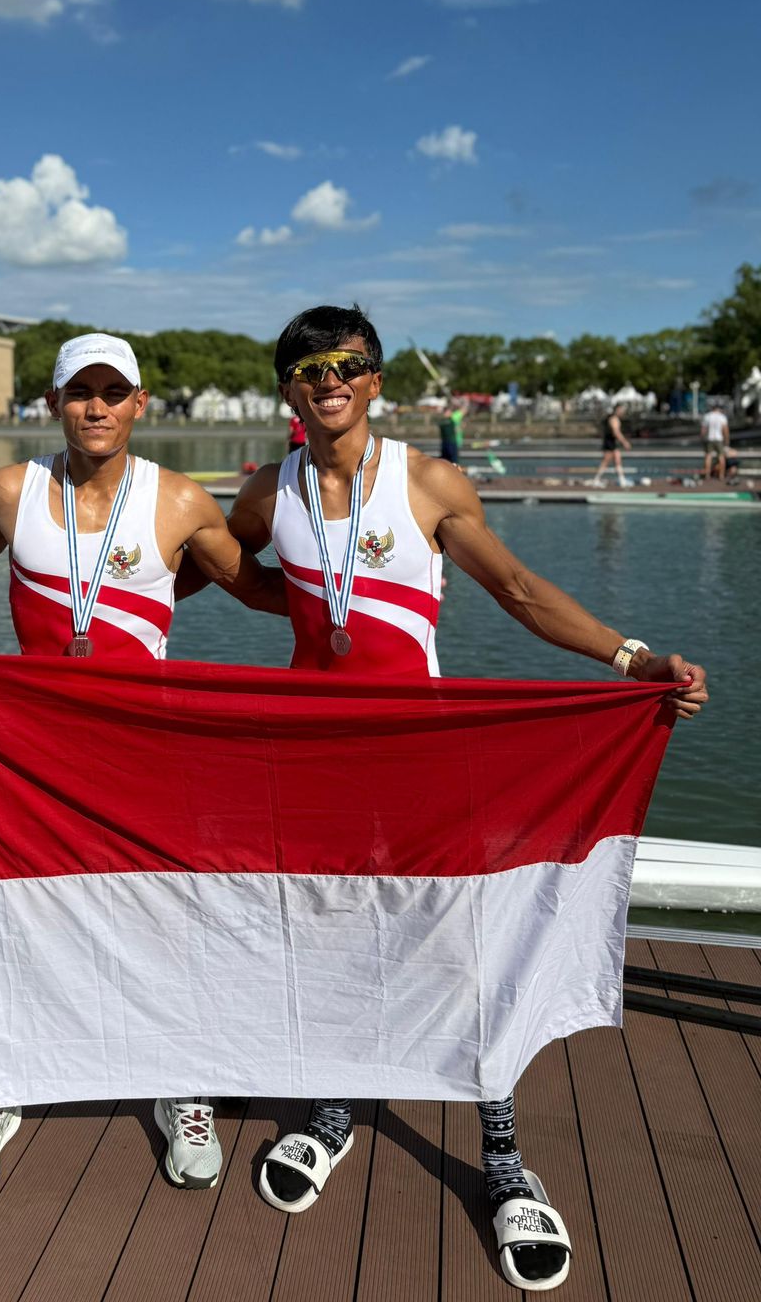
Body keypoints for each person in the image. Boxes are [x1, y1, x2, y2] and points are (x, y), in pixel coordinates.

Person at [221, 304, 707, 1292]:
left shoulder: (430, 480)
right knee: (331, 936)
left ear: (374, 378)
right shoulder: (268, 489)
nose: (330, 379)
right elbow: (227, 565)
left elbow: (519, 589)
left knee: (461, 947)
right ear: (289, 389)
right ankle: (333, 1112)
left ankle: (501, 1157)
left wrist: (632, 658)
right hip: (319, 764)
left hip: (421, 759)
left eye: (347, 363)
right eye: (310, 367)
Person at [0, 331, 285, 1204]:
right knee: (18, 910)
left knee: (165, 912)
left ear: (138, 404)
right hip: (35, 745)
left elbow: (264, 589)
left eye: (112, 391)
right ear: (54, 403)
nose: (96, 406)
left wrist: (402, 569)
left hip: (145, 749)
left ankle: (181, 1082)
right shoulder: (13, 491)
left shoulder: (182, 503)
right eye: (79, 391)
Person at [589, 402, 631, 488]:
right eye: (621, 410)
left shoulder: (612, 418)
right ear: (617, 410)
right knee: (606, 461)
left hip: (611, 442)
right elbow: (616, 432)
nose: (623, 412)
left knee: (617, 460)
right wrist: (624, 442)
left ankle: (622, 480)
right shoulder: (614, 419)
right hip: (609, 442)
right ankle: (596, 480)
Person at [701, 405, 730, 482]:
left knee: (708, 457)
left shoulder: (707, 416)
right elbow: (725, 430)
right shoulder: (722, 417)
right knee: (721, 457)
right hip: (719, 439)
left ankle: (707, 475)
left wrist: (702, 438)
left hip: (709, 439)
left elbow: (703, 429)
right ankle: (721, 475)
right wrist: (727, 440)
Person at [438, 397, 466, 465]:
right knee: (451, 461)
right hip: (450, 442)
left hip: (453, 442)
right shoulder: (453, 417)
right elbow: (463, 410)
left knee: (450, 461)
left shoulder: (453, 417)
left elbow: (463, 411)